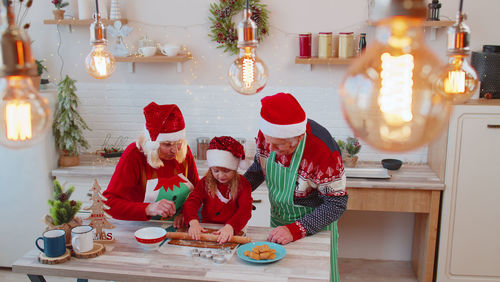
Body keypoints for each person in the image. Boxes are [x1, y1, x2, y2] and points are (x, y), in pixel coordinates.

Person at [243, 92, 347, 281]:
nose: (270, 149)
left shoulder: (323, 151)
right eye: (267, 142)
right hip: (279, 224)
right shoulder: (269, 135)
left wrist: (295, 229)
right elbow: (260, 167)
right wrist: (238, 191)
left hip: (315, 227)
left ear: (297, 139)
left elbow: (336, 204)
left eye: (278, 146)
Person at [103, 102, 199, 228]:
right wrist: (148, 208)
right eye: (167, 144)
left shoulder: (184, 151)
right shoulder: (134, 155)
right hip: (140, 227)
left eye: (179, 142)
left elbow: (198, 193)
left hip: (178, 226)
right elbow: (107, 203)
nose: (175, 150)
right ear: (152, 143)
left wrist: (186, 213)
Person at [183, 136, 253, 244]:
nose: (220, 175)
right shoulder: (205, 182)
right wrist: (193, 222)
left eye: (226, 171)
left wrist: (231, 226)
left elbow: (245, 210)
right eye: (215, 171)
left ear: (234, 169)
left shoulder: (243, 184)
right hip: (207, 229)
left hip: (233, 229)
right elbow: (192, 202)